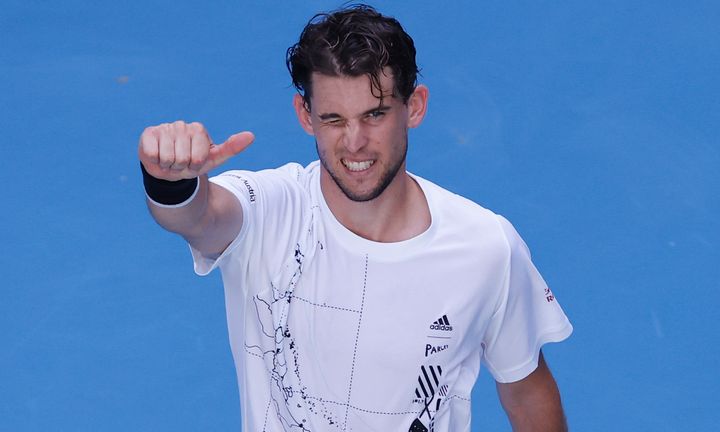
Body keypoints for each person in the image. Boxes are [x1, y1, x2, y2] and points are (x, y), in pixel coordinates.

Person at [138, 4, 572, 431]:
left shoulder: (486, 246)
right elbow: (196, 217)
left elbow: (526, 390)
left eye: (375, 114)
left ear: (415, 107)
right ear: (305, 116)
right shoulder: (268, 211)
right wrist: (170, 180)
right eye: (333, 119)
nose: (355, 142)